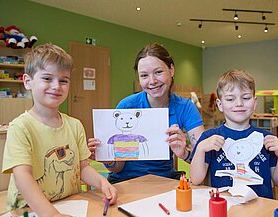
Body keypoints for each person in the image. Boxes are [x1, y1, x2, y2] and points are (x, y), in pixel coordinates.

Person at [2, 43, 117, 217]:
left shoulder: (74, 125)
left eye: (63, 81)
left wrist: (101, 182)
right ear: (27, 81)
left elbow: (82, 168)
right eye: (47, 78)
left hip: (69, 204)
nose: (56, 86)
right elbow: (23, 178)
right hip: (30, 212)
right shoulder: (20, 127)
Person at [88, 43, 205, 183]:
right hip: (125, 180)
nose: (152, 81)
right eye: (144, 75)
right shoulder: (127, 107)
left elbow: (205, 158)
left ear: (171, 70)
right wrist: (108, 160)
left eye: (158, 72)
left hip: (163, 180)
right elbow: (117, 168)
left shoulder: (185, 107)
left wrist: (184, 153)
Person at [190, 69, 278, 198]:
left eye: (246, 98)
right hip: (223, 208)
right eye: (230, 99)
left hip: (261, 209)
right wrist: (200, 149)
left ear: (255, 103)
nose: (239, 103)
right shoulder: (209, 138)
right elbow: (196, 179)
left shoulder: (266, 138)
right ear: (220, 104)